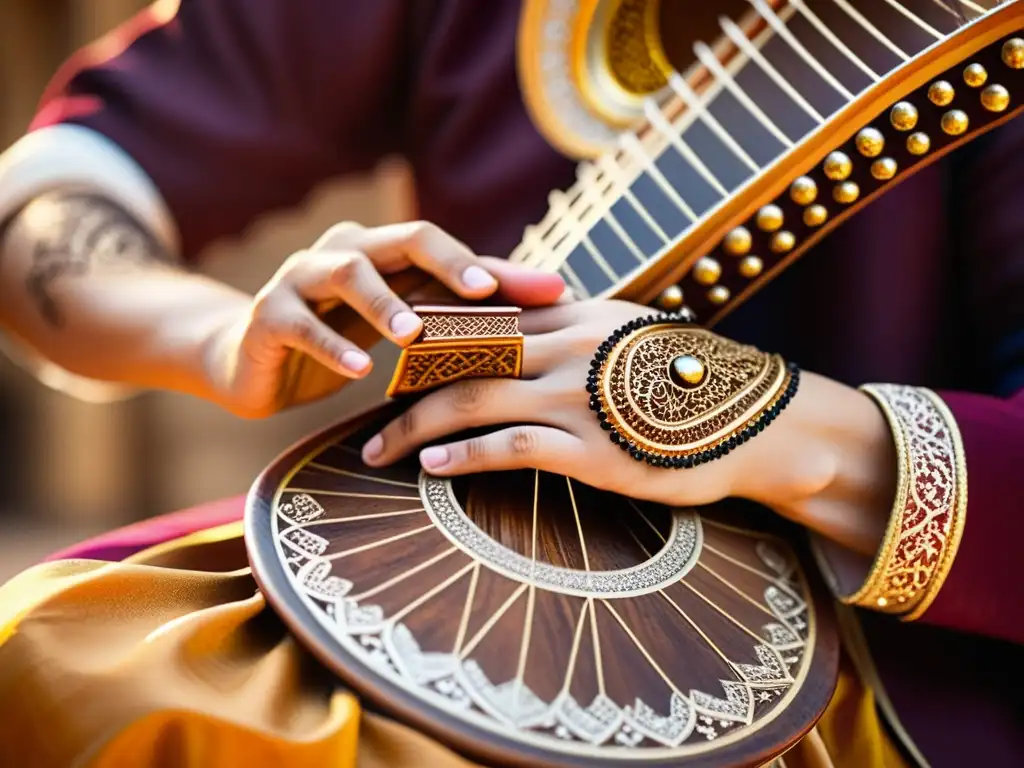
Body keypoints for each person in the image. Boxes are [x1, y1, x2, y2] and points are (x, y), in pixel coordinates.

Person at [0, 1, 1020, 766]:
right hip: (444, 555)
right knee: (51, 655)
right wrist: (225, 339)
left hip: (860, 667)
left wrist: (739, 414)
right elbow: (50, 197)